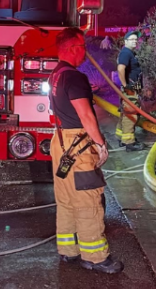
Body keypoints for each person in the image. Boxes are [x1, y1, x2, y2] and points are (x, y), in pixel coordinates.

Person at [49, 27, 124, 274]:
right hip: (78, 145)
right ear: (72, 48)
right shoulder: (74, 77)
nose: (85, 51)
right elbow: (85, 114)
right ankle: (94, 257)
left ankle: (68, 250)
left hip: (60, 142)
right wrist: (101, 144)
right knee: (88, 199)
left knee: (67, 198)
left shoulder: (56, 75)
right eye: (82, 46)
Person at [115, 31, 144, 151]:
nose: (134, 41)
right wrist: (125, 85)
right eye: (131, 39)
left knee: (125, 114)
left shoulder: (130, 53)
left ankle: (121, 137)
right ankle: (129, 143)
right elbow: (120, 68)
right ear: (125, 41)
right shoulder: (126, 53)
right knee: (130, 115)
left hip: (131, 89)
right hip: (130, 90)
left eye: (135, 39)